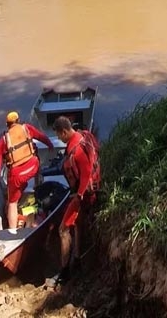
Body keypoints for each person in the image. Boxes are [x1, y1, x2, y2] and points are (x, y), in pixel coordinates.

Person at [50, 115, 100, 285]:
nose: (58, 139)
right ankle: (77, 259)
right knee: (77, 225)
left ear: (64, 132)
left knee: (63, 230)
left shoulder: (77, 151)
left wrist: (78, 197)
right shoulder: (82, 135)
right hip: (81, 193)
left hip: (82, 196)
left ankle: (64, 272)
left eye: (58, 135)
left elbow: (85, 175)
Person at [0, 111, 54, 230]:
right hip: (33, 168)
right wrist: (50, 145)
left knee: (12, 203)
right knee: (35, 157)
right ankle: (38, 183)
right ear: (18, 121)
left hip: (18, 176)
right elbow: (42, 137)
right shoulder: (26, 128)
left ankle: (12, 231)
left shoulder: (3, 140)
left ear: (7, 125)